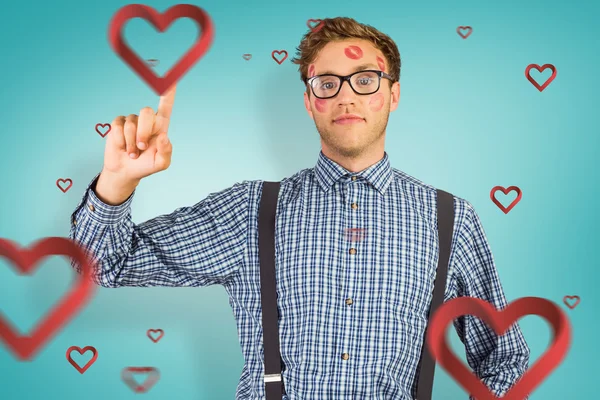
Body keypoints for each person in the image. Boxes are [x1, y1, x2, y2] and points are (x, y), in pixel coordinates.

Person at [69, 16, 530, 400]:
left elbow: (505, 357)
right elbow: (105, 266)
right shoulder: (252, 210)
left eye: (365, 80)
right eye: (327, 83)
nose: (346, 95)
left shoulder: (450, 219)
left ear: (393, 94)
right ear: (310, 102)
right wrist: (118, 180)